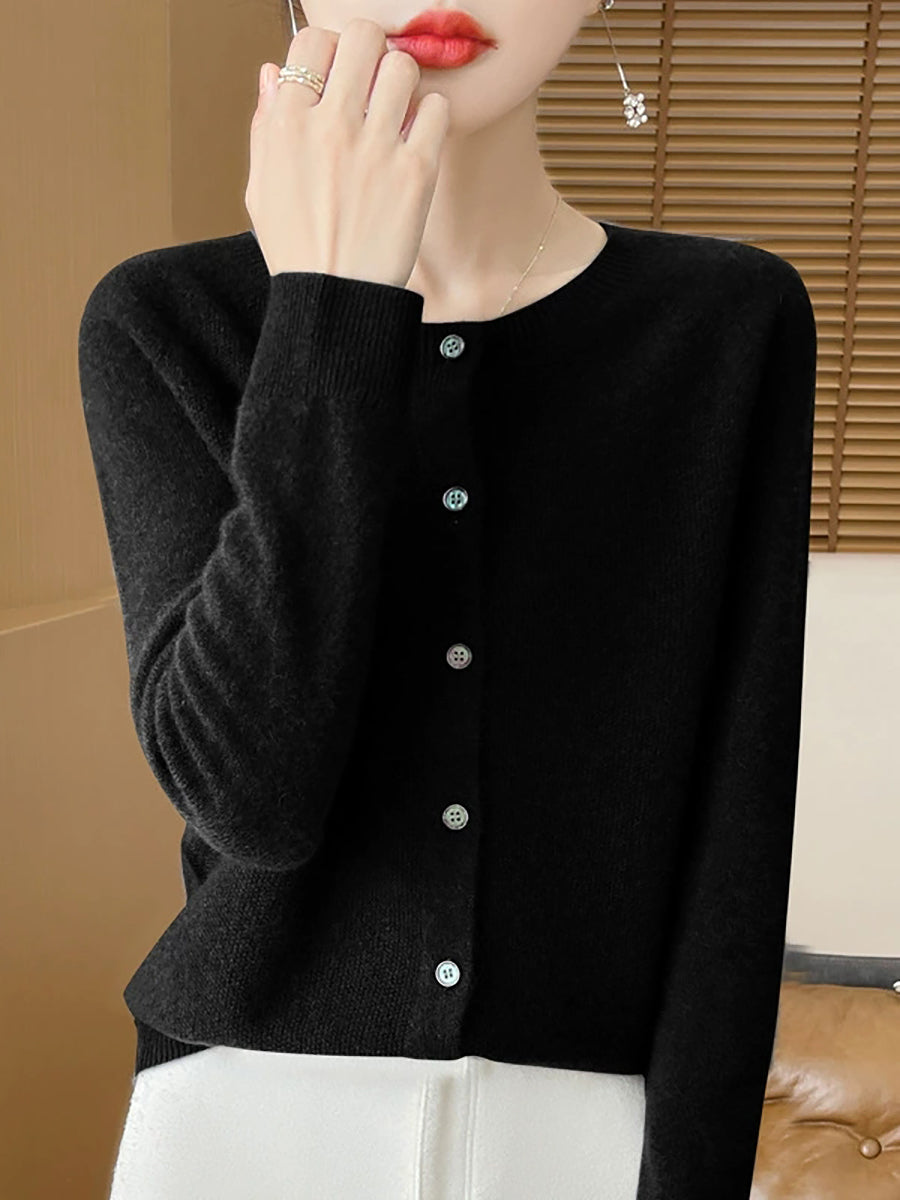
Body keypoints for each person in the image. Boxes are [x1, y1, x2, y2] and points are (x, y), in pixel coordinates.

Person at [77, 1, 818, 1198]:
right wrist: (331, 303)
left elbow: (738, 824)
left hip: (588, 1131)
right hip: (241, 1121)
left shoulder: (729, 323)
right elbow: (250, 802)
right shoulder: (167, 320)